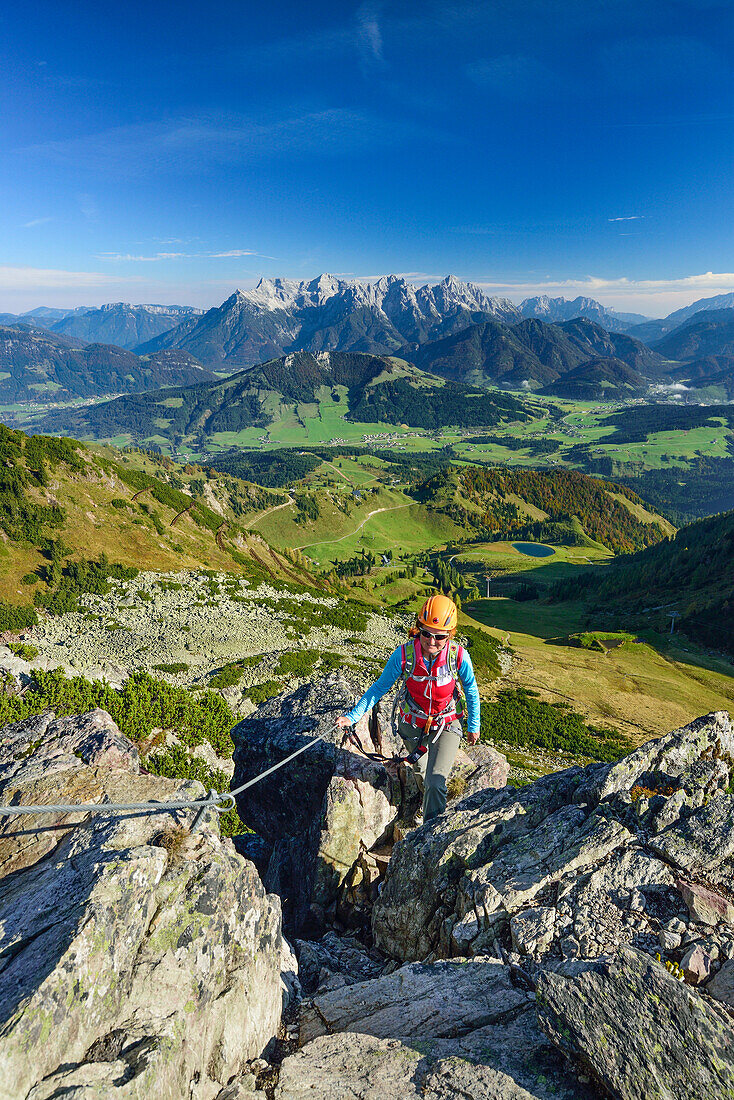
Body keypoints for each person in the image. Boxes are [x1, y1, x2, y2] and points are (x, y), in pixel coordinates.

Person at [336, 594, 480, 822]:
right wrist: (352, 717)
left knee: (435, 780)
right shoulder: (404, 655)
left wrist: (474, 725)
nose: (431, 642)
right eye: (426, 633)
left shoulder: (458, 656)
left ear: (450, 635)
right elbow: (379, 688)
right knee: (421, 773)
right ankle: (429, 804)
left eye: (440, 637)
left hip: (447, 722)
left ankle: (431, 833)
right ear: (419, 629)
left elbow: (471, 689)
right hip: (413, 724)